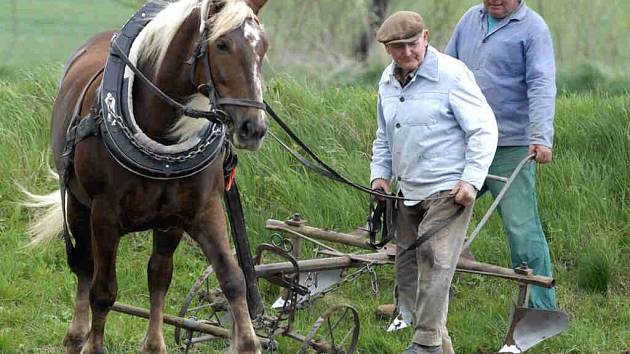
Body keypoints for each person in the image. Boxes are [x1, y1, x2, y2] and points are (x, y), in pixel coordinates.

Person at [370, 11, 497, 354]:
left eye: (412, 44)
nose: (407, 53)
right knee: (407, 263)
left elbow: (483, 129)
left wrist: (471, 180)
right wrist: (380, 177)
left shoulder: (452, 75)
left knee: (435, 258)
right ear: (388, 50)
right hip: (408, 189)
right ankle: (441, 346)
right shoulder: (387, 81)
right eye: (398, 48)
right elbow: (384, 135)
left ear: (425, 37)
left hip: (449, 189)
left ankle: (424, 342)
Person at [445, 0, 557, 310]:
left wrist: (540, 136)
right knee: (433, 212)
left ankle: (541, 308)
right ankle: (424, 296)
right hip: (465, 142)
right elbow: (446, 69)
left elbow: (541, 83)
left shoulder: (533, 29)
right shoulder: (470, 19)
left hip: (509, 145)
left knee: (521, 228)